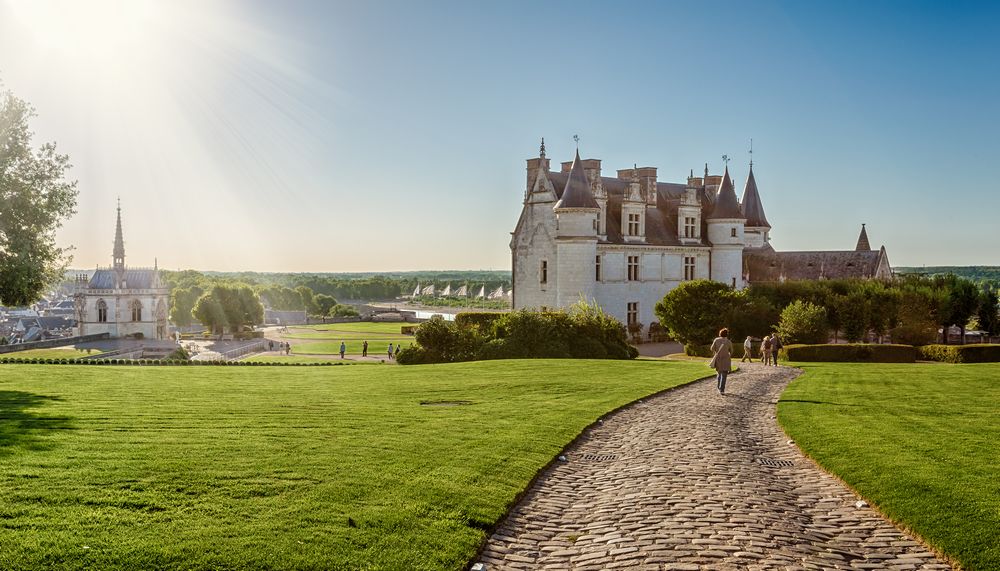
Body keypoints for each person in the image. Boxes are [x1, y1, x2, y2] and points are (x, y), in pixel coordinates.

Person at [710, 328, 733, 395]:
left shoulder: (716, 340)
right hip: (726, 359)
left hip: (718, 359)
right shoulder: (728, 342)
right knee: (724, 375)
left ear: (720, 333)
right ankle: (722, 389)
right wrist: (728, 355)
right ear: (727, 334)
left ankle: (718, 387)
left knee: (719, 373)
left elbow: (711, 348)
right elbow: (731, 351)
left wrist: (716, 353)